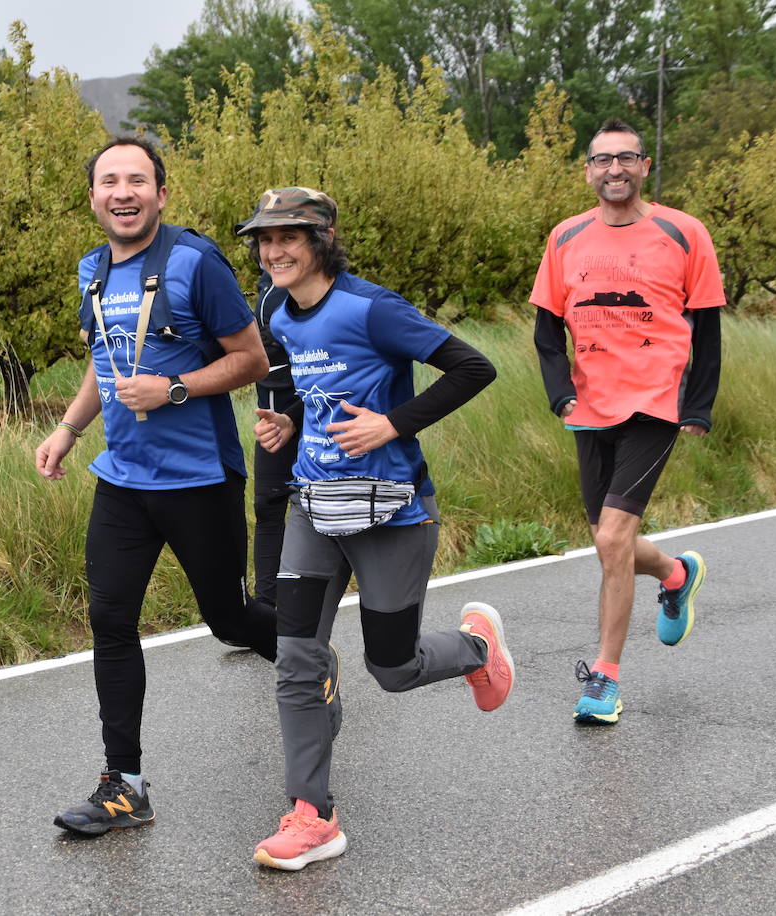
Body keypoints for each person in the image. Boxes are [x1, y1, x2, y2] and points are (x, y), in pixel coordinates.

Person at [240, 187, 514, 871]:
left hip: (391, 512)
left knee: (391, 668)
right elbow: (324, 390)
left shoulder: (373, 308)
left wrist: (393, 424)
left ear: (324, 237)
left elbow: (474, 368)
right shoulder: (280, 310)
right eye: (264, 240)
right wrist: (292, 422)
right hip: (314, 506)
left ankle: (476, 649)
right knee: (297, 658)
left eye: (289, 237)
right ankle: (313, 815)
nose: (274, 251)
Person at [35, 137, 277, 837]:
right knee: (110, 621)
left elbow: (250, 358)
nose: (123, 191)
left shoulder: (194, 264)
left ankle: (307, 656)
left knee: (228, 619)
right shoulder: (91, 270)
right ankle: (124, 785)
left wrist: (173, 387)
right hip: (123, 482)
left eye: (137, 179)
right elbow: (104, 360)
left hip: (199, 477)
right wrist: (70, 429)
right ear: (92, 198)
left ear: (161, 194)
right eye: (109, 181)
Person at [531, 117, 724, 726]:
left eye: (626, 158)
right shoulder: (565, 238)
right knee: (606, 542)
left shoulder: (684, 232)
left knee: (613, 539)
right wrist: (560, 394)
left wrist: (697, 405)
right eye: (602, 160)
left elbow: (709, 331)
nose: (614, 169)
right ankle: (674, 572)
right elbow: (545, 333)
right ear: (588, 172)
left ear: (644, 167)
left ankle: (605, 679)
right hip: (589, 406)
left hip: (655, 401)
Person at [251, 273, 299, 607]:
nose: (270, 248)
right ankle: (268, 608)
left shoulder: (310, 285)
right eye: (263, 239)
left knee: (323, 508)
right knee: (268, 507)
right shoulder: (266, 286)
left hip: (310, 413)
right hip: (272, 415)